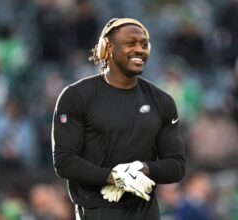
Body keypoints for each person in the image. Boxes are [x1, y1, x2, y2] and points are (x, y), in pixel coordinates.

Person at [51, 17, 186, 220]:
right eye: (131, 43)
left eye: (144, 44)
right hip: (96, 211)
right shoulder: (76, 96)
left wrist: (143, 168)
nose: (140, 50)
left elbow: (176, 166)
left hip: (145, 211)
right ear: (108, 48)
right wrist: (113, 177)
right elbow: (64, 161)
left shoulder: (162, 101)